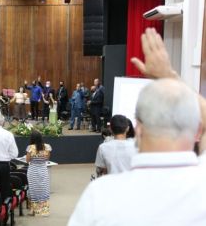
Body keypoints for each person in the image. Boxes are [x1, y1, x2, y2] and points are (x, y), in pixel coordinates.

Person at [68, 28, 206, 226]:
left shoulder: (100, 197)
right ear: (198, 130)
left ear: (138, 128)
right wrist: (169, 76)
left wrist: (166, 77)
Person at [26, 130, 52, 216]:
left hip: (33, 171)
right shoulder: (47, 147)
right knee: (44, 190)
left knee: (33, 190)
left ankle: (33, 211)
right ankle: (44, 211)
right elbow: (47, 159)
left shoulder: (30, 148)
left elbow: (28, 160)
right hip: (43, 170)